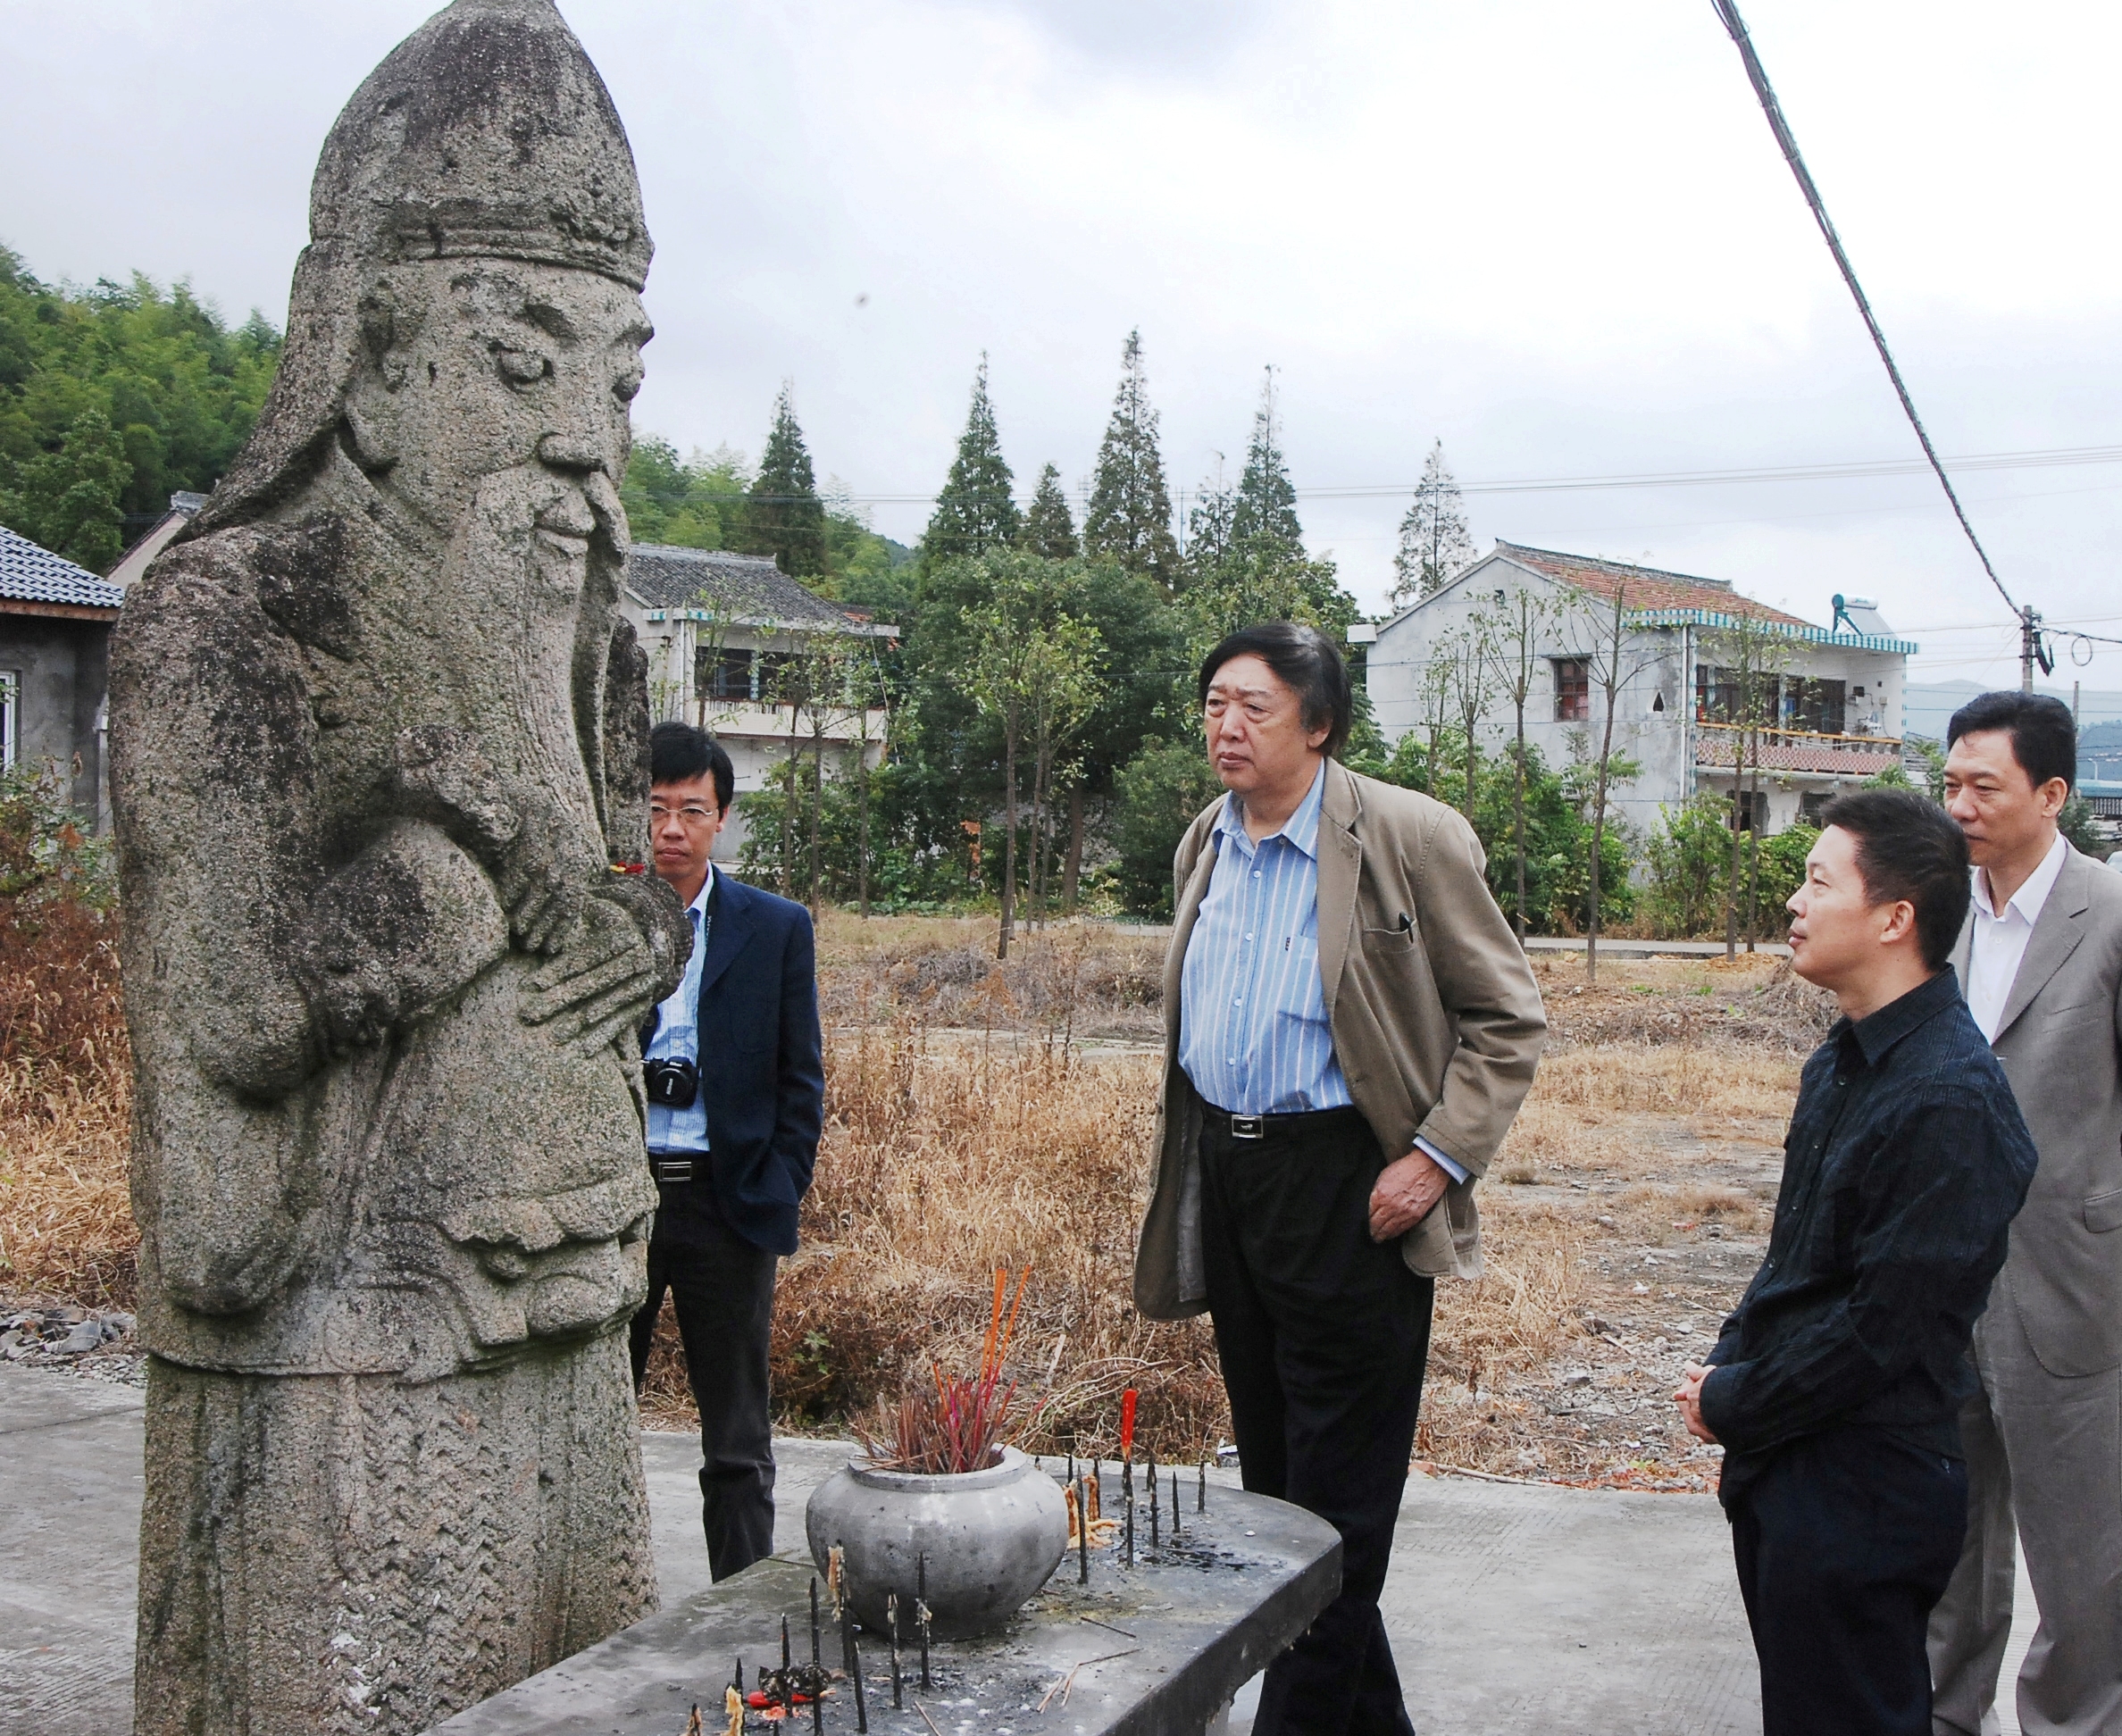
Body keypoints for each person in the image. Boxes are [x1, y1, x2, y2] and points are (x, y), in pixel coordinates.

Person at [1133, 622, 1548, 1736]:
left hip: (1348, 1187)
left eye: (1254, 707)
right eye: (1215, 701)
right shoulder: (1206, 841)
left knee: (1339, 1517)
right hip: (1230, 1177)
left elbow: (1508, 1018)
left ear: (1319, 727)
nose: (1226, 725)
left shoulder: (1407, 835)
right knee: (1281, 1498)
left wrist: (1438, 1156)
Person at [1675, 789, 2037, 1736]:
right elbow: (1797, 1257)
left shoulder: (1951, 1099)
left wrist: (1740, 1399)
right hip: (1796, 1466)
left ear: (1894, 917)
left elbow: (1886, 1326)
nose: (1794, 901)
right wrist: (1731, 1358)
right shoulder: (1845, 1057)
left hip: (1866, 1483)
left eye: (1817, 881)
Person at [1927, 691, 2122, 1736]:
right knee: (1948, 1532)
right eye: (1949, 784)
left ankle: (2076, 1723)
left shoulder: (2110, 912)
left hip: (2071, 1276)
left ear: (2050, 794)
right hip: (1945, 1271)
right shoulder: (1940, 911)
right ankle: (1947, 1716)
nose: (1958, 805)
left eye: (1982, 787)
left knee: (2084, 1551)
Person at [628, 721, 824, 1582]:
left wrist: (775, 1186)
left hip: (725, 1199)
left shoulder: (774, 927)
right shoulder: (603, 918)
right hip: (616, 1200)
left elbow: (801, 1076)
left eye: (691, 811)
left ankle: (743, 1613)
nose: (672, 828)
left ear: (721, 818)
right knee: (591, 1420)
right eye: (656, 808)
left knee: (738, 1438)